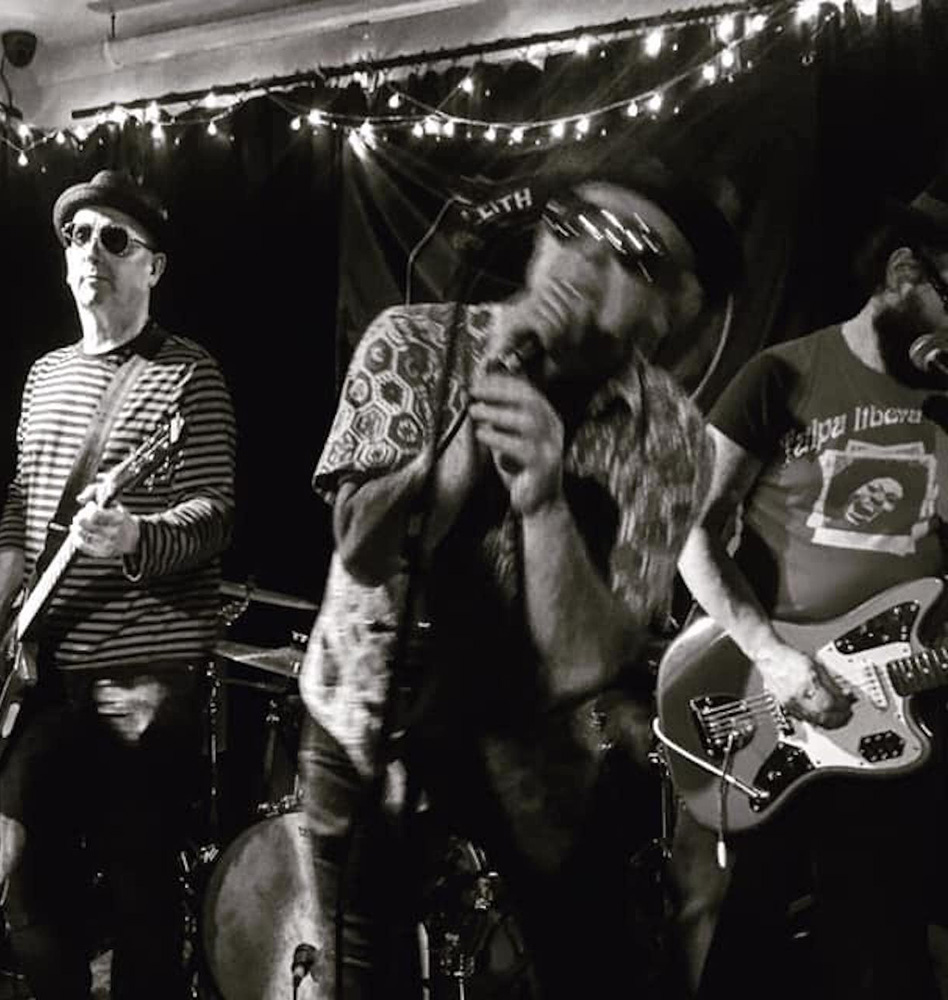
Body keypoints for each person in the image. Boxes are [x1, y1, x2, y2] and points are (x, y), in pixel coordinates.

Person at [299, 161, 740, 997]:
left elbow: (585, 660)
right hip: (361, 714)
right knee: (358, 966)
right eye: (569, 223)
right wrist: (461, 442)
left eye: (632, 252)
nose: (583, 258)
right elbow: (361, 549)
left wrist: (543, 500)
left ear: (675, 309)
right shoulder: (412, 341)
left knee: (583, 966)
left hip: (527, 749)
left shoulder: (670, 432)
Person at [0, 168, 236, 999]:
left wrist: (136, 535)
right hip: (40, 672)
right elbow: (22, 509)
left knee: (141, 893)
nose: (91, 252)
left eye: (115, 239)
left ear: (154, 266)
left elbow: (215, 514)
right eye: (78, 236)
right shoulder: (44, 376)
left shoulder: (190, 375)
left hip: (144, 670)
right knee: (24, 880)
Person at [672, 175, 948, 999]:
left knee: (888, 940)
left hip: (909, 704)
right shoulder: (779, 377)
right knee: (754, 939)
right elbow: (690, 534)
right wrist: (774, 656)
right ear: (905, 273)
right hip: (786, 702)